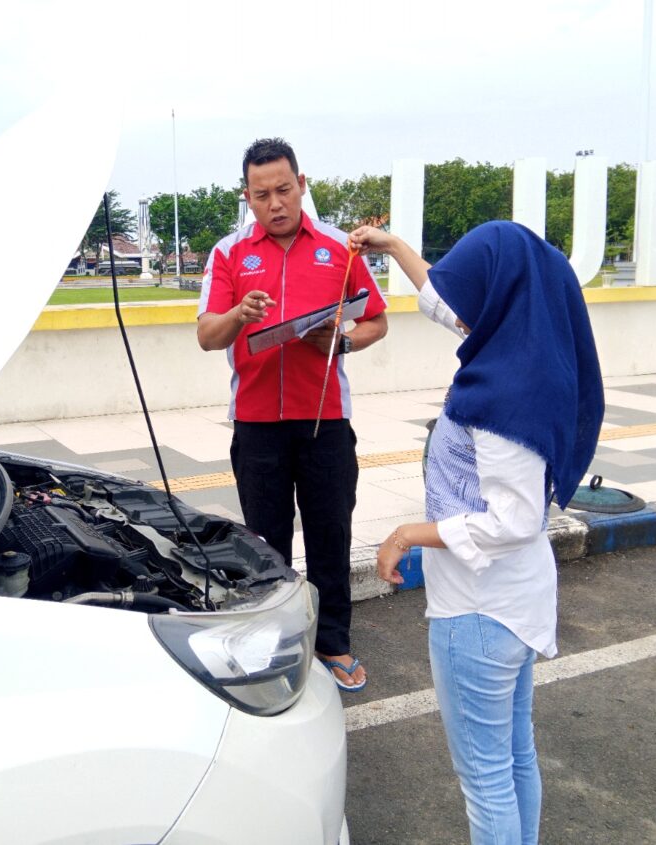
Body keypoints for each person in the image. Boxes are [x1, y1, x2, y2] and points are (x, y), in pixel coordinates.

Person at [350, 220, 603, 844]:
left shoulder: (501, 393)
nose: (459, 316)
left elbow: (512, 520)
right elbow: (444, 302)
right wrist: (395, 247)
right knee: (514, 758)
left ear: (496, 297)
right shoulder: (527, 351)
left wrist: (407, 534)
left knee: (486, 779)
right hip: (515, 601)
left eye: (469, 299)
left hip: (479, 610)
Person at [197, 137, 389, 692]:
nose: (275, 203)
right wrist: (239, 314)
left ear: (302, 184)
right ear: (247, 197)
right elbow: (208, 335)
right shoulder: (229, 253)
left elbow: (376, 320)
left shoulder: (339, 248)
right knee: (265, 543)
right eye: (261, 195)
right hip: (257, 423)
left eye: (284, 189)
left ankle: (332, 642)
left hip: (325, 420)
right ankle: (273, 642)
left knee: (331, 533)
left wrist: (343, 339)